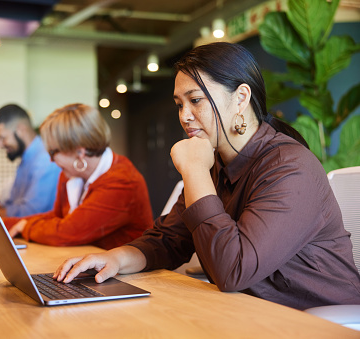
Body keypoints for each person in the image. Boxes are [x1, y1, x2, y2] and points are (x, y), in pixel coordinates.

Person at [53, 42, 360, 310]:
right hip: (250, 312)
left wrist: (194, 171)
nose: (184, 115)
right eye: (179, 104)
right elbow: (169, 240)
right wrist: (116, 259)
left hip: (318, 319)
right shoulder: (215, 164)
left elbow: (233, 270)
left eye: (195, 100)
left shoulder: (290, 166)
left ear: (241, 98)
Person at [5, 103, 153, 250]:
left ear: (80, 152)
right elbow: (58, 217)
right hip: (88, 262)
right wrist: (4, 224)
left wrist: (26, 227)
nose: (51, 160)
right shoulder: (70, 174)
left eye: (53, 153)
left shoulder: (123, 181)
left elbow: (68, 232)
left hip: (127, 272)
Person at [0, 104, 61, 217]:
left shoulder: (45, 159)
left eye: (2, 138)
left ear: (21, 129)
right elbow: (12, 202)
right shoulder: (26, 159)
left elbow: (32, 211)